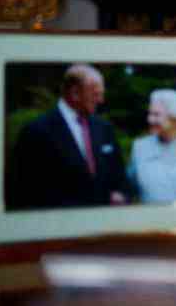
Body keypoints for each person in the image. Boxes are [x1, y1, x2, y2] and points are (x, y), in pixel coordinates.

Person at [7, 64, 129, 209]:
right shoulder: (36, 132)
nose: (101, 100)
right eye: (96, 94)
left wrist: (121, 194)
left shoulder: (104, 128)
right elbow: (20, 191)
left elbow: (120, 176)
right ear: (75, 93)